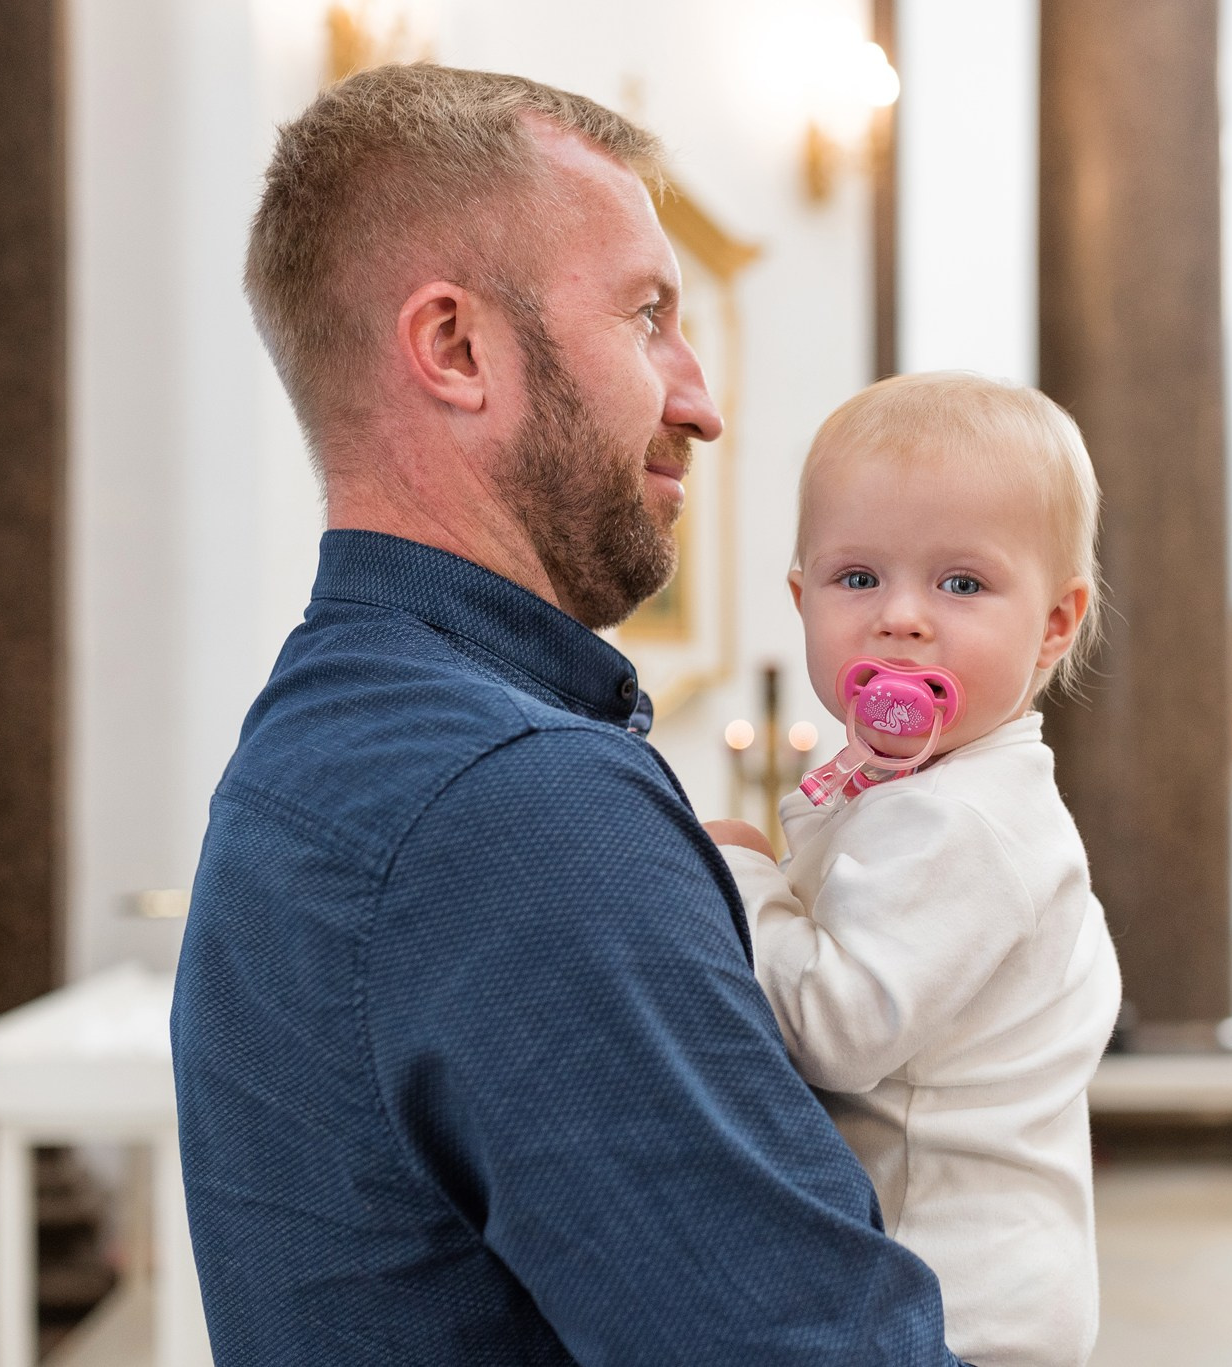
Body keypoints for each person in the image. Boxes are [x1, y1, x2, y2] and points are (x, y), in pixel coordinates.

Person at [168, 64, 968, 1365]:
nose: (702, 398)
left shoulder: (315, 734)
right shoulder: (517, 807)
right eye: (649, 314)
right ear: (456, 349)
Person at [705, 373, 1123, 1367]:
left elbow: (836, 1028)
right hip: (982, 1279)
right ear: (800, 597)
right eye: (857, 579)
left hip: (954, 1302)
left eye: (960, 583)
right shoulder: (929, 788)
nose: (900, 617)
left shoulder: (965, 819)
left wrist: (739, 872)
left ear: (1055, 623)